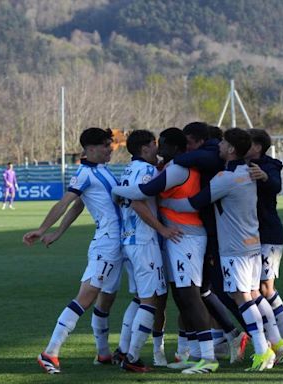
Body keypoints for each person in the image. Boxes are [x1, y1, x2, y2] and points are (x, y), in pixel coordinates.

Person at [159, 128, 277, 371]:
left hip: (235, 247)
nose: (219, 146)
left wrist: (162, 202)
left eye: (223, 142)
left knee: (242, 298)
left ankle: (263, 350)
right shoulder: (247, 172)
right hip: (251, 243)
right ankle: (268, 344)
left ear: (232, 149)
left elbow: (194, 202)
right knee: (251, 296)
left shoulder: (226, 177)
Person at [112, 127, 219, 374]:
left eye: (163, 144)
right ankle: (192, 353)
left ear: (173, 147)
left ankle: (209, 357)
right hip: (169, 239)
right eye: (155, 144)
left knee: (189, 295)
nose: (159, 149)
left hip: (185, 237)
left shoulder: (177, 169)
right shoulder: (164, 168)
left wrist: (116, 190)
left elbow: (142, 194)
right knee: (179, 297)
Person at [23, 127, 123, 374]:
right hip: (106, 244)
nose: (110, 148)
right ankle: (50, 352)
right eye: (105, 145)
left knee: (106, 300)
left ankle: (102, 353)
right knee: (86, 297)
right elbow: (65, 202)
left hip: (118, 244)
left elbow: (79, 205)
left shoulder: (101, 170)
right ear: (90, 149)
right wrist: (43, 228)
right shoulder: (84, 174)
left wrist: (58, 233)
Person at [176, 122, 248, 363]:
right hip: (213, 232)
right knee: (205, 289)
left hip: (212, 233)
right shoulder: (212, 158)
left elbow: (195, 200)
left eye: (187, 143)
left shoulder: (208, 157)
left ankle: (257, 336)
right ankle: (226, 336)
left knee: (221, 290)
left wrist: (172, 159)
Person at [112, 129, 180, 372]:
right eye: (154, 145)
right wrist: (161, 228)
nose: (157, 149)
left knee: (140, 298)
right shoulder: (148, 171)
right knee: (151, 302)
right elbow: (139, 202)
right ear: (144, 149)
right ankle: (132, 357)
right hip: (144, 242)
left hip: (128, 242)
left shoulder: (128, 170)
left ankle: (122, 350)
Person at [246, 128, 283, 362]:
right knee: (254, 288)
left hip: (268, 234)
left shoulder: (270, 165)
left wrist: (264, 177)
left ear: (257, 147)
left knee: (266, 288)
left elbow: (275, 184)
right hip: (249, 235)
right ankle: (277, 338)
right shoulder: (240, 164)